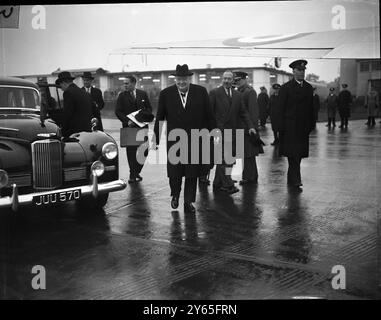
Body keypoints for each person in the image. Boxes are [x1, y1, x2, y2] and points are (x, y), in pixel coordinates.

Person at [153, 64, 216, 213]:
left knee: (191, 173)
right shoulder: (165, 94)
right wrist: (155, 139)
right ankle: (175, 194)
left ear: (189, 78)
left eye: (184, 79)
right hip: (175, 142)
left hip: (195, 140)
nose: (182, 82)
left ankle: (188, 202)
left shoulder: (201, 92)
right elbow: (160, 118)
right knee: (174, 173)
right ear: (176, 79)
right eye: (179, 79)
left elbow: (209, 115)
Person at [209, 70, 256, 193]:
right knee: (225, 159)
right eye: (224, 78)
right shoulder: (214, 93)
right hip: (219, 131)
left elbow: (244, 112)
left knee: (228, 159)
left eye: (229, 79)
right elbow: (209, 113)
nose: (226, 81)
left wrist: (251, 126)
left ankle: (217, 182)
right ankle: (227, 184)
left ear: (232, 81)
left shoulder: (237, 95)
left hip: (233, 132)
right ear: (222, 79)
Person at [277, 59, 314, 189]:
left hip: (303, 128)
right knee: (293, 155)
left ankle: (292, 179)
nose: (301, 73)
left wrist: (311, 126)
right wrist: (280, 128)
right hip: (289, 128)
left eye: (303, 70)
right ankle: (295, 180)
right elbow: (279, 109)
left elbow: (312, 109)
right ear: (293, 71)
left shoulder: (309, 88)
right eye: (299, 70)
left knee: (297, 155)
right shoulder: (286, 88)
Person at [115, 75, 153, 183]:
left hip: (142, 127)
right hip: (129, 127)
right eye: (124, 83)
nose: (125, 85)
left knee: (144, 150)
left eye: (127, 83)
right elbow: (118, 111)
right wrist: (127, 121)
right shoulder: (122, 96)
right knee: (131, 153)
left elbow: (149, 108)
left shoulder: (143, 94)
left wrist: (143, 116)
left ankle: (136, 172)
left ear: (133, 83)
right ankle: (132, 175)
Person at [234, 71, 262, 185]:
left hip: (247, 129)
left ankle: (249, 177)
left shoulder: (249, 92)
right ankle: (250, 176)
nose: (237, 82)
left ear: (245, 79)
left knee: (249, 155)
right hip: (241, 128)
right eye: (236, 81)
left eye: (239, 80)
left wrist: (253, 129)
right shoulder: (239, 91)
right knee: (246, 155)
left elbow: (253, 112)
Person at [55, 71, 93, 138]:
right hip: (87, 130)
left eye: (60, 86)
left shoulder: (68, 92)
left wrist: (63, 130)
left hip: (74, 132)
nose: (61, 89)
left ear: (63, 83)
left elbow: (68, 113)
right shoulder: (84, 92)